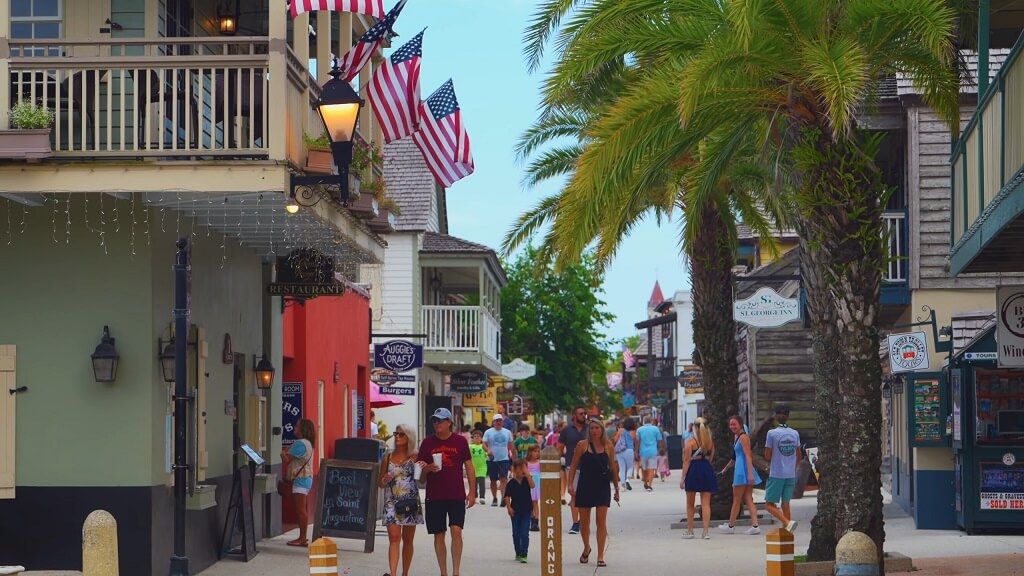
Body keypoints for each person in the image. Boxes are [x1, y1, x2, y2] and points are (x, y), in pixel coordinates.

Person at [417, 407, 476, 576]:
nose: (437, 424)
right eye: (435, 421)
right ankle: (443, 572)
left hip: (456, 494)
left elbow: (470, 468)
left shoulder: (460, 442)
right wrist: (427, 468)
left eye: (440, 421)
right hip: (435, 496)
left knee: (456, 530)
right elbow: (420, 477)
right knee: (439, 534)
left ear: (449, 422)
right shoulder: (427, 443)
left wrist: (472, 493)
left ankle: (456, 571)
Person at [567, 417, 619, 568]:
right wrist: (570, 485)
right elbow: (573, 465)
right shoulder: (582, 445)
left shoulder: (608, 446)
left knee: (601, 522)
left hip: (602, 486)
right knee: (584, 523)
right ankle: (586, 547)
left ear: (602, 429)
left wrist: (616, 488)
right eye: (592, 428)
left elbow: (613, 468)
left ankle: (601, 556)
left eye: (597, 428)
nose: (595, 431)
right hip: (585, 485)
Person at [379, 424, 424, 576]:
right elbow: (380, 483)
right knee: (394, 538)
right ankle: (393, 573)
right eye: (396, 433)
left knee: (408, 540)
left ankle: (405, 573)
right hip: (391, 501)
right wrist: (384, 480)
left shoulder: (416, 456)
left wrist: (427, 468)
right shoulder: (388, 457)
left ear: (409, 437)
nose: (397, 436)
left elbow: (422, 479)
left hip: (410, 501)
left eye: (401, 434)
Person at [717, 415, 762, 535]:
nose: (732, 427)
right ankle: (755, 525)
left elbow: (748, 455)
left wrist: (750, 474)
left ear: (741, 424)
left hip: (742, 470)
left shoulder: (743, 437)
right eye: (731, 424)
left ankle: (731, 526)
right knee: (748, 499)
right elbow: (735, 457)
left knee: (736, 500)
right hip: (742, 468)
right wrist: (726, 468)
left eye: (734, 424)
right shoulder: (736, 436)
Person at [765, 405, 802, 532]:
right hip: (790, 474)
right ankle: (787, 533)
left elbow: (767, 455)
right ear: (788, 417)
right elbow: (799, 455)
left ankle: (787, 522)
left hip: (776, 473)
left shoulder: (772, 433)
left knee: (769, 504)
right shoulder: (794, 433)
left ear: (775, 417)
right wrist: (793, 466)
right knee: (786, 504)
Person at [281, 418, 316, 547]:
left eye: (297, 426)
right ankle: (302, 537)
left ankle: (302, 538)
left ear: (303, 429)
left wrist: (283, 452)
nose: (295, 428)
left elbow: (286, 459)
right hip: (306, 479)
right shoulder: (308, 444)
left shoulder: (300, 443)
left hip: (300, 479)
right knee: (302, 509)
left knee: (300, 510)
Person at [680, 417, 717, 540]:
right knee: (706, 503)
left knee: (690, 503)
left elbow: (686, 461)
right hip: (706, 470)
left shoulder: (690, 442)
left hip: (693, 471)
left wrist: (682, 477)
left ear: (694, 428)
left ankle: (690, 530)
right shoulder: (710, 443)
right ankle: (705, 532)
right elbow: (710, 458)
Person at [559, 407, 589, 534]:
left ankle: (584, 522)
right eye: (581, 414)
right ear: (574, 415)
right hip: (572, 466)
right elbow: (560, 447)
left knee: (587, 496)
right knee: (574, 494)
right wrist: (559, 462)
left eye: (585, 414)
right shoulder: (566, 430)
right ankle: (576, 523)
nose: (584, 415)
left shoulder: (590, 429)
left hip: (588, 466)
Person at [505, 458, 535, 563]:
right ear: (514, 469)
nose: (522, 470)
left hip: (527, 510)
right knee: (516, 533)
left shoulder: (527, 480)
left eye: (524, 468)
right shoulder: (511, 483)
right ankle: (517, 551)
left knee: (524, 532)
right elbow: (507, 497)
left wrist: (527, 474)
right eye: (520, 468)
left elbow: (533, 485)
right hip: (515, 511)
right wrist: (509, 507)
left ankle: (524, 553)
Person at [483, 413, 515, 506]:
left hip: (504, 458)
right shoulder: (488, 432)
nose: (498, 422)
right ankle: (494, 498)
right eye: (496, 421)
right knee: (493, 480)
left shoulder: (507, 432)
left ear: (502, 422)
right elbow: (484, 444)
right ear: (493, 422)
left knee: (503, 479)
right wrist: (488, 450)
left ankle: (503, 498)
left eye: (500, 421)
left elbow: (511, 446)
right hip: (492, 459)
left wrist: (513, 459)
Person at [636, 417, 665, 491]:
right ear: (651, 421)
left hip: (643, 452)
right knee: (651, 468)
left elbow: (638, 441)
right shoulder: (655, 429)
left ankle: (645, 482)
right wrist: (660, 449)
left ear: (643, 421)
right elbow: (660, 440)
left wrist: (636, 451)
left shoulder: (639, 430)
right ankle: (650, 485)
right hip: (653, 451)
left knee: (644, 468)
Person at [612, 417, 638, 491]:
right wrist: (636, 451)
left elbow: (615, 440)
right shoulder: (633, 432)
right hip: (629, 450)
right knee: (630, 467)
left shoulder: (620, 430)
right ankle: (627, 480)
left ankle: (623, 486)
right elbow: (636, 441)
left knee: (622, 468)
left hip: (620, 451)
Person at [468, 429, 488, 505]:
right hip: (473, 468)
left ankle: (482, 497)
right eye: (475, 436)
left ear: (481, 438)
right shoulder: (470, 447)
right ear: (472, 438)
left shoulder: (483, 446)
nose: (476, 438)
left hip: (482, 468)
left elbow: (487, 454)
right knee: (474, 483)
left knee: (481, 483)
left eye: (478, 436)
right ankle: (475, 496)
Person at [526, 444, 542, 531]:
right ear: (530, 452)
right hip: (529, 482)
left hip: (537, 482)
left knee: (535, 502)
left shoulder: (539, 463)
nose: (537, 454)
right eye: (535, 451)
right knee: (530, 502)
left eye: (538, 452)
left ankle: (536, 520)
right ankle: (531, 519)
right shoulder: (526, 463)